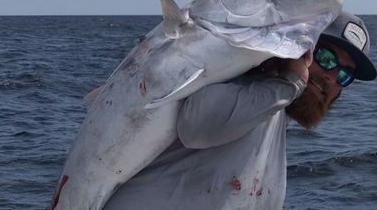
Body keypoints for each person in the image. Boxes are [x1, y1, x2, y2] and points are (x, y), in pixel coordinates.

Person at [103, 11, 376, 210]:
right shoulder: (242, 80)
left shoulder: (274, 109)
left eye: (344, 76)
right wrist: (290, 83)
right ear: (299, 47)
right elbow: (198, 127)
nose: (332, 77)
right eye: (326, 58)